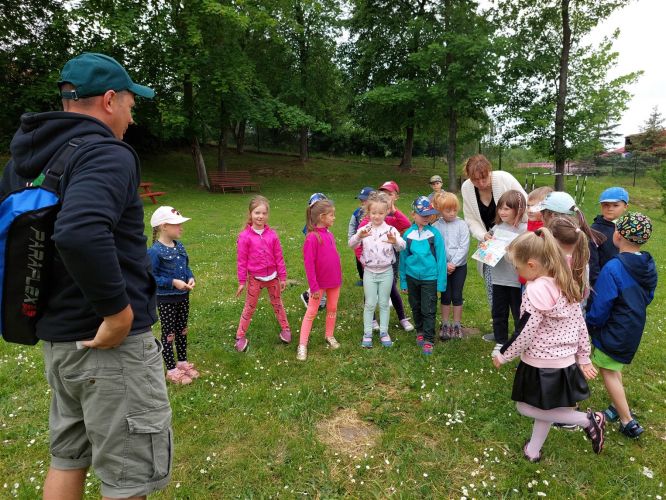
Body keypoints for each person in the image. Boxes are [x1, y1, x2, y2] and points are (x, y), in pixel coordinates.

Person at [0, 53, 172, 498]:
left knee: (67, 459)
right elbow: (78, 232)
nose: (132, 118)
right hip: (109, 348)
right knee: (129, 481)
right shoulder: (106, 153)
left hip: (60, 343)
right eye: (131, 105)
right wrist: (117, 313)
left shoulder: (25, 162)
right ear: (109, 100)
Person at [493, 228, 605, 462]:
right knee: (546, 408)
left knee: (525, 407)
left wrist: (504, 355)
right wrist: (583, 357)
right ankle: (532, 451)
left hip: (541, 363)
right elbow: (580, 324)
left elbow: (525, 331)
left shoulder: (534, 290)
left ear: (532, 265)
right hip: (564, 363)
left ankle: (588, 420)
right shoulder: (563, 282)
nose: (517, 271)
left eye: (517, 267)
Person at [586, 212, 657, 439]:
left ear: (617, 235)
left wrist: (590, 323)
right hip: (633, 325)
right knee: (614, 366)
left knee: (608, 370)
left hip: (613, 328)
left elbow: (601, 305)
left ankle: (628, 421)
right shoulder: (648, 263)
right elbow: (649, 295)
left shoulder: (613, 267)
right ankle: (618, 406)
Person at [461, 154, 526, 312]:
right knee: (493, 288)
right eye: (475, 180)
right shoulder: (467, 188)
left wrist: (515, 225)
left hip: (514, 241)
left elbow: (524, 203)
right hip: (489, 244)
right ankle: (498, 322)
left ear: (489, 171)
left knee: (517, 287)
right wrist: (483, 235)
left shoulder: (504, 178)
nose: (481, 183)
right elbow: (470, 218)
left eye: (484, 178)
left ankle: (520, 321)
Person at [148, 206, 199, 384]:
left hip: (183, 296)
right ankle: (171, 369)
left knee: (182, 330)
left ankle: (182, 362)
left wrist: (190, 277)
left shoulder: (179, 246)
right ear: (164, 227)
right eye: (177, 224)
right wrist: (172, 282)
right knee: (169, 333)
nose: (181, 227)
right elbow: (150, 277)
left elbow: (186, 267)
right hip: (166, 299)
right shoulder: (154, 252)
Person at [234, 195, 291, 352]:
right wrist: (241, 282)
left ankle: (286, 329)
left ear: (268, 215)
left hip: (273, 278)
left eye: (264, 213)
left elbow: (279, 257)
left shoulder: (272, 235)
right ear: (250, 214)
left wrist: (282, 277)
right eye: (257, 213)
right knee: (249, 307)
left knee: (278, 304)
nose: (260, 216)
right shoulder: (244, 237)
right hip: (255, 279)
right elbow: (241, 261)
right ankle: (240, 336)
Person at [349, 191, 405, 348]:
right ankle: (367, 333)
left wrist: (395, 242)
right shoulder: (364, 229)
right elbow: (351, 244)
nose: (377, 216)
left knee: (384, 303)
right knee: (370, 303)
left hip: (386, 272)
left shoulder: (391, 230)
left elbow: (402, 246)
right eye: (373, 213)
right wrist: (359, 237)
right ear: (368, 211)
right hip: (369, 272)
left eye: (381, 213)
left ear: (386, 212)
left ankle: (384, 332)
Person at [399, 196, 447, 355]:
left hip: (430, 278)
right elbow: (403, 259)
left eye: (429, 214)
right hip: (412, 277)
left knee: (428, 308)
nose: (426, 217)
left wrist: (441, 282)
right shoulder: (407, 235)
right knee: (416, 306)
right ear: (413, 214)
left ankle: (428, 338)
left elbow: (441, 259)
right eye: (422, 214)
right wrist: (404, 282)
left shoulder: (435, 234)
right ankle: (420, 330)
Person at [297, 198, 342, 361]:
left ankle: (329, 335)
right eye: (332, 215)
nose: (334, 217)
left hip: (334, 282)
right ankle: (302, 344)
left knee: (332, 308)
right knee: (311, 312)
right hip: (319, 285)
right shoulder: (312, 238)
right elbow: (309, 265)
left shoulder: (329, 234)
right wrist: (314, 287)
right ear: (322, 217)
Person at [488, 190, 527, 357]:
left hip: (517, 280)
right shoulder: (497, 228)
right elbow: (489, 250)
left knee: (519, 312)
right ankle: (501, 341)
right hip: (498, 278)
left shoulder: (525, 230)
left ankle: (520, 342)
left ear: (518, 210)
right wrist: (486, 247)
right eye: (500, 208)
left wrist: (510, 250)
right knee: (499, 312)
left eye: (506, 209)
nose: (502, 212)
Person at [377, 180, 415, 332]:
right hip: (374, 256)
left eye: (389, 194)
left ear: (396, 197)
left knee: (392, 279)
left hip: (392, 253)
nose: (386, 196)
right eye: (383, 193)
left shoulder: (393, 216)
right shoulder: (376, 214)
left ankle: (390, 300)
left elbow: (406, 224)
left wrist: (393, 210)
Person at [432, 192, 470, 340]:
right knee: (445, 295)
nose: (452, 213)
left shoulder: (462, 225)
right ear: (440, 210)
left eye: (454, 210)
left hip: (459, 267)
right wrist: (444, 264)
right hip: (443, 267)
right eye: (448, 210)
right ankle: (445, 323)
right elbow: (436, 247)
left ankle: (456, 324)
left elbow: (464, 246)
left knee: (457, 295)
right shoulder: (436, 226)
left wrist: (454, 263)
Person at [589, 187, 629, 288]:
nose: (610, 208)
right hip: (603, 282)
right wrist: (598, 283)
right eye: (606, 205)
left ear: (625, 206)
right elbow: (592, 262)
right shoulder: (595, 230)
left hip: (622, 278)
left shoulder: (627, 227)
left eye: (615, 205)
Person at [301, 192, 328, 311]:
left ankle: (321, 300)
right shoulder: (311, 228)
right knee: (320, 279)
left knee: (325, 278)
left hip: (324, 259)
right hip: (318, 259)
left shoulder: (322, 225)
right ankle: (308, 295)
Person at [348, 186, 375, 287]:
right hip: (359, 242)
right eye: (361, 200)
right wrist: (351, 238)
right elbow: (352, 225)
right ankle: (363, 278)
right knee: (359, 261)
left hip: (371, 243)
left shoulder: (376, 212)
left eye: (364, 200)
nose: (362, 203)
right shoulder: (357, 212)